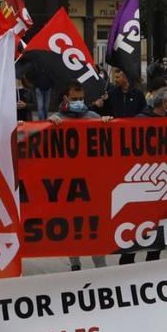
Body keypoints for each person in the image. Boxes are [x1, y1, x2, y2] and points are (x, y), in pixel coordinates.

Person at [50, 81, 114, 270]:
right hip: (68, 185)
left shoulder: (94, 117)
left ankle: (100, 266)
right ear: (66, 99)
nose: (78, 102)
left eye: (81, 99)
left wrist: (108, 125)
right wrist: (49, 125)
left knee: (94, 226)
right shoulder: (56, 119)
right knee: (72, 226)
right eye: (74, 99)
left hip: (92, 183)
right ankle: (75, 264)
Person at [119, 85, 167, 265]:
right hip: (143, 185)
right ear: (165, 102)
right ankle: (126, 265)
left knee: (158, 237)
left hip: (163, 188)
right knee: (136, 233)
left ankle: (152, 266)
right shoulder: (141, 120)